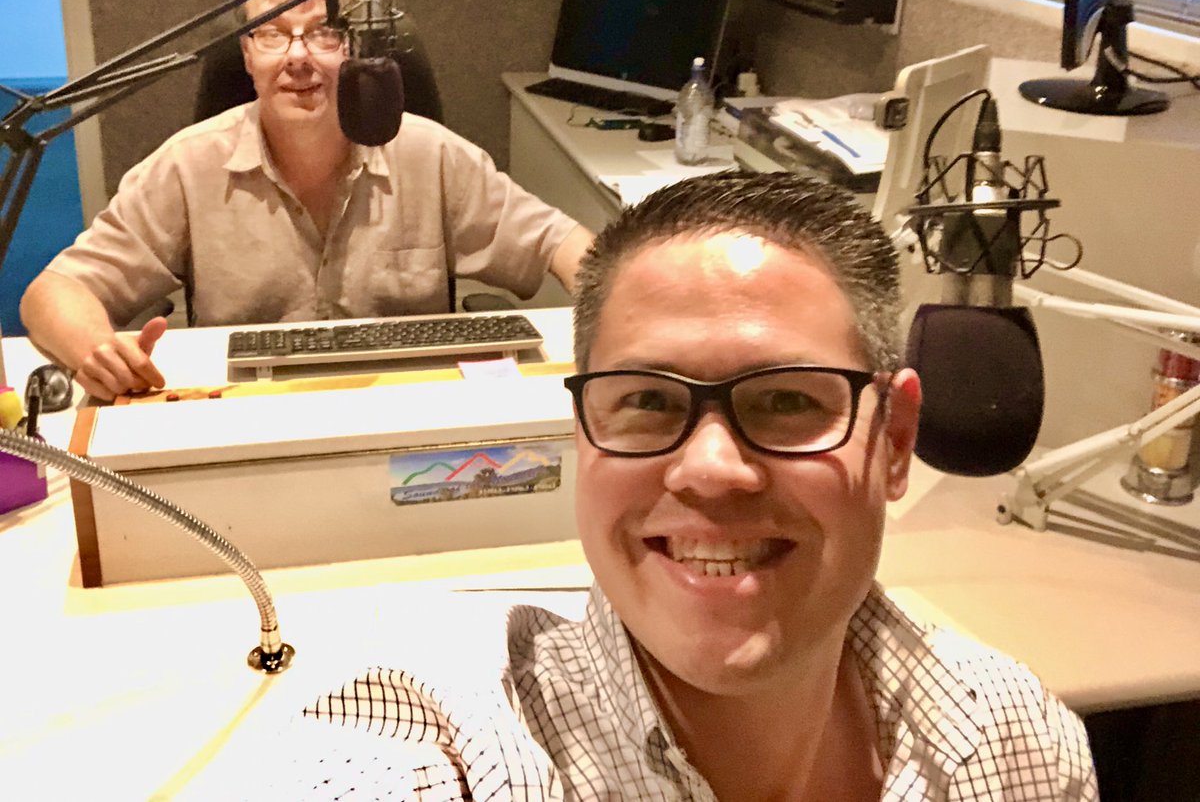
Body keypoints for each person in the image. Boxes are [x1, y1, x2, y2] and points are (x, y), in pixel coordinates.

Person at [269, 169, 1097, 800]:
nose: (710, 468)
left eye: (786, 400)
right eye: (647, 401)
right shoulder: (442, 739)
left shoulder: (1020, 745)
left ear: (896, 441)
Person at [19, 0, 592, 402]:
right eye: (272, 34)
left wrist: (615, 324)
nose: (298, 57)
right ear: (247, 54)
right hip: (250, 417)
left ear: (358, 46)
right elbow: (53, 292)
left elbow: (569, 246)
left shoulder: (430, 154)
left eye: (322, 33)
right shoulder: (188, 164)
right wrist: (97, 351)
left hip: (406, 413)